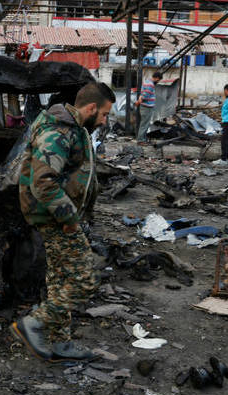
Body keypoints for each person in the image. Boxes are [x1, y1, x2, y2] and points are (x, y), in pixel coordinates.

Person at [12, 82, 115, 363]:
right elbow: (43, 182)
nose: (104, 121)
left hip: (59, 216)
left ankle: (60, 342)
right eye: (104, 114)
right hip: (56, 218)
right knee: (84, 280)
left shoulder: (75, 128)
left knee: (61, 281)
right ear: (91, 108)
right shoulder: (58, 131)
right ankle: (33, 324)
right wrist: (69, 218)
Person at [134, 71, 162, 144]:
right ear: (157, 78)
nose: (158, 81)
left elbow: (142, 93)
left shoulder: (146, 81)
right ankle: (140, 140)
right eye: (159, 80)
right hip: (147, 107)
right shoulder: (150, 84)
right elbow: (145, 96)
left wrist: (139, 100)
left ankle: (143, 138)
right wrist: (138, 102)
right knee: (144, 124)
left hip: (144, 106)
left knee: (144, 123)